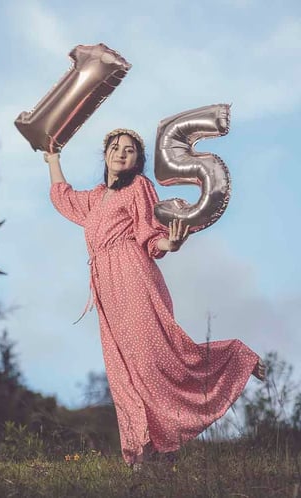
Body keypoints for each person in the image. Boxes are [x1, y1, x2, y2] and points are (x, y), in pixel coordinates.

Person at [45, 128, 265, 468]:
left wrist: (171, 244)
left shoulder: (138, 188)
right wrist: (53, 158)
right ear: (105, 154)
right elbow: (63, 196)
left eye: (130, 151)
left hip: (134, 278)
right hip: (106, 289)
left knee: (154, 360)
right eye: (115, 148)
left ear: (138, 161)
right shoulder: (95, 199)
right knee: (124, 372)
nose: (121, 154)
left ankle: (236, 358)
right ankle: (144, 453)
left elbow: (150, 237)